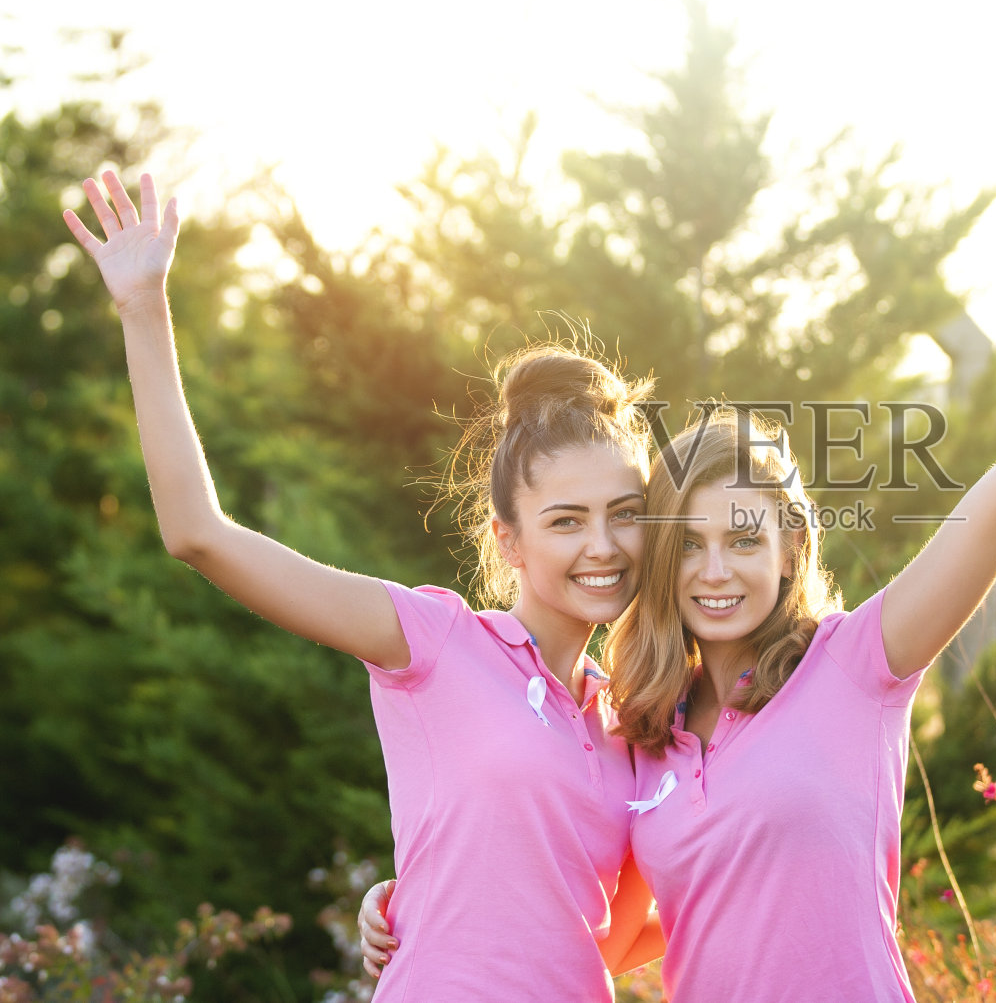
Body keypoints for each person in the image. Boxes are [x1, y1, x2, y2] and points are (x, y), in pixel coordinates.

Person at [360, 209, 996, 998]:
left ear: (791, 549)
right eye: (690, 543)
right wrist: (413, 909)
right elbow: (607, 930)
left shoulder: (859, 667)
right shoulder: (646, 733)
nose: (716, 570)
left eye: (745, 539)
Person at [63, 171, 663, 1001]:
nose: (602, 546)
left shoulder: (633, 717)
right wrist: (143, 308)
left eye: (624, 514)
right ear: (509, 540)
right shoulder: (435, 642)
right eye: (565, 521)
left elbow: (620, 935)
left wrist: (423, 888)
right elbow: (198, 534)